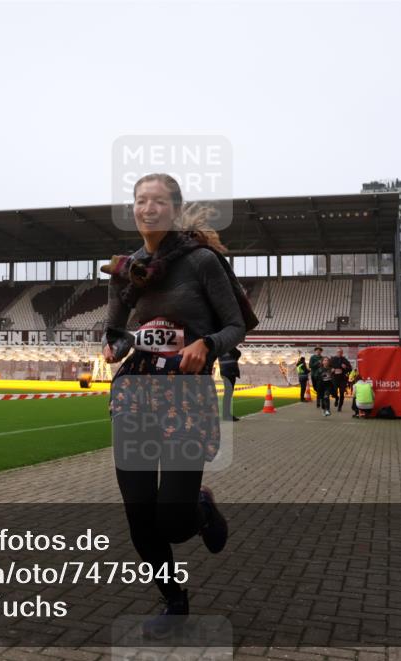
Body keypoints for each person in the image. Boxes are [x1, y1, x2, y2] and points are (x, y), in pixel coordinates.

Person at [102, 173, 252, 637]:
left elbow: (236, 325)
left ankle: (200, 510)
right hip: (134, 393)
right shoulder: (124, 269)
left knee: (172, 520)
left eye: (158, 201)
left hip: (185, 395)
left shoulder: (202, 261)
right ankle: (174, 600)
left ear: (174, 209)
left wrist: (206, 344)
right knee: (138, 515)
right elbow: (114, 332)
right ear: (133, 209)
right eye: (140, 200)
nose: (148, 208)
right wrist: (113, 347)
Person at [219, 348, 241, 422]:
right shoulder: (228, 346)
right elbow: (238, 353)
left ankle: (226, 414)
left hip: (225, 371)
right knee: (228, 394)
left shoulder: (221, 348)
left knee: (227, 394)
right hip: (229, 371)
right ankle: (226, 415)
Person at [329, 347, 352, 412]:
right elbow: (328, 367)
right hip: (334, 378)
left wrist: (345, 367)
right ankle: (336, 398)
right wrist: (331, 370)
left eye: (341, 352)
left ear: (342, 353)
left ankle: (340, 407)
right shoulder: (332, 359)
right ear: (336, 353)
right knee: (334, 392)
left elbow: (350, 369)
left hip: (342, 379)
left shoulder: (345, 360)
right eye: (338, 352)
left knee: (342, 393)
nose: (339, 353)